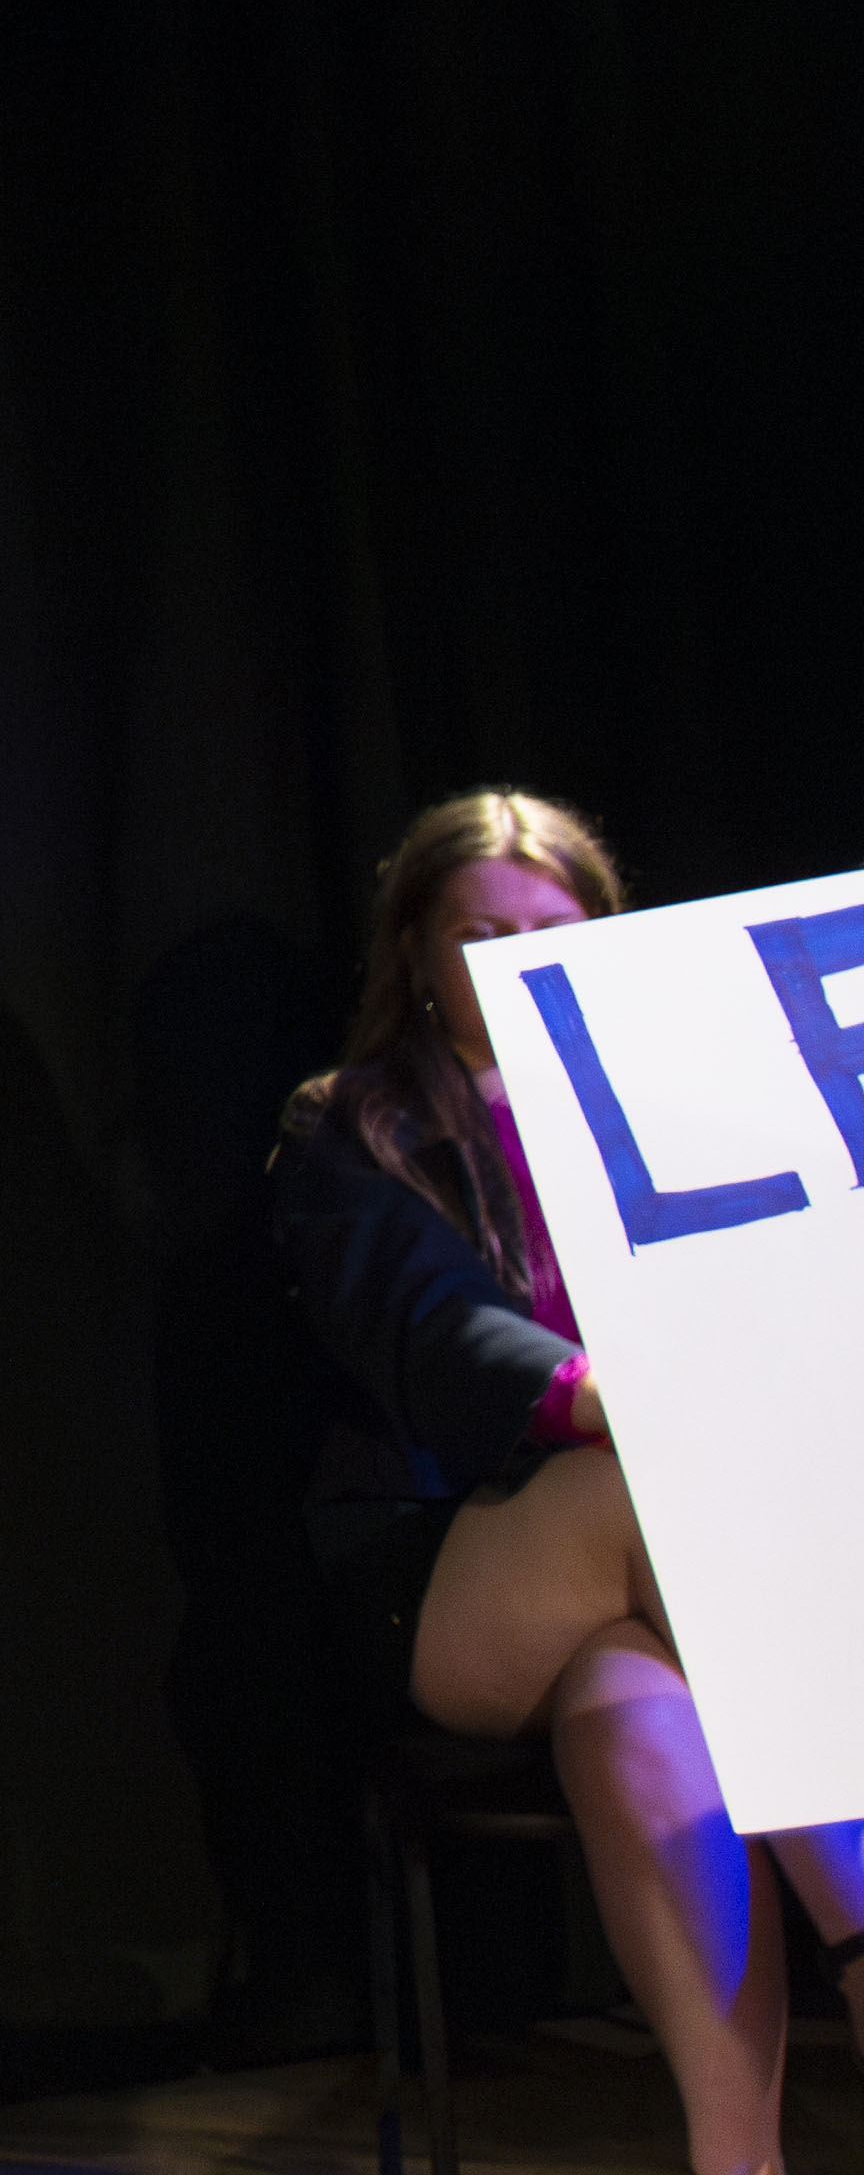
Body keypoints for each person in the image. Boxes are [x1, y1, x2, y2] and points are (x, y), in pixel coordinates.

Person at [271, 788, 864, 2175]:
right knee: (658, 1485)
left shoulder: (694, 1102)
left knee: (633, 1715)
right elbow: (430, 1331)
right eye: (478, 936)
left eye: (547, 931)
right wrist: (604, 1396)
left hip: (659, 1579)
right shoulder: (350, 1126)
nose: (511, 960)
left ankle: (735, 2158)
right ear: (417, 954)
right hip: (452, 1564)